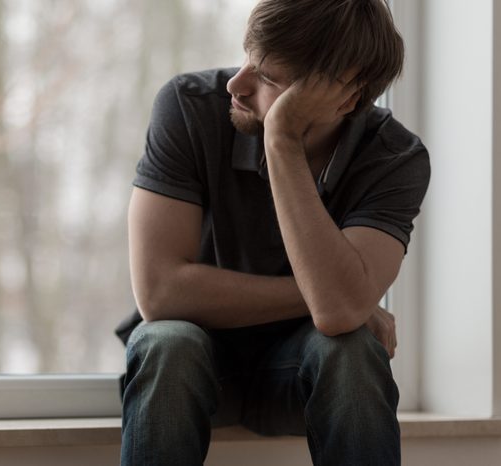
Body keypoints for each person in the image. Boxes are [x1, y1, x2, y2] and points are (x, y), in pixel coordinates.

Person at [116, 0, 430, 464]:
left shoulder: (394, 158)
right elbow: (160, 293)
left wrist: (281, 138)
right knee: (166, 341)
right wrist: (341, 299)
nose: (236, 84)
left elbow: (338, 316)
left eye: (269, 79)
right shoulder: (188, 106)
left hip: (304, 373)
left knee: (352, 350)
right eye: (247, 59)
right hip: (194, 365)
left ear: (344, 98)